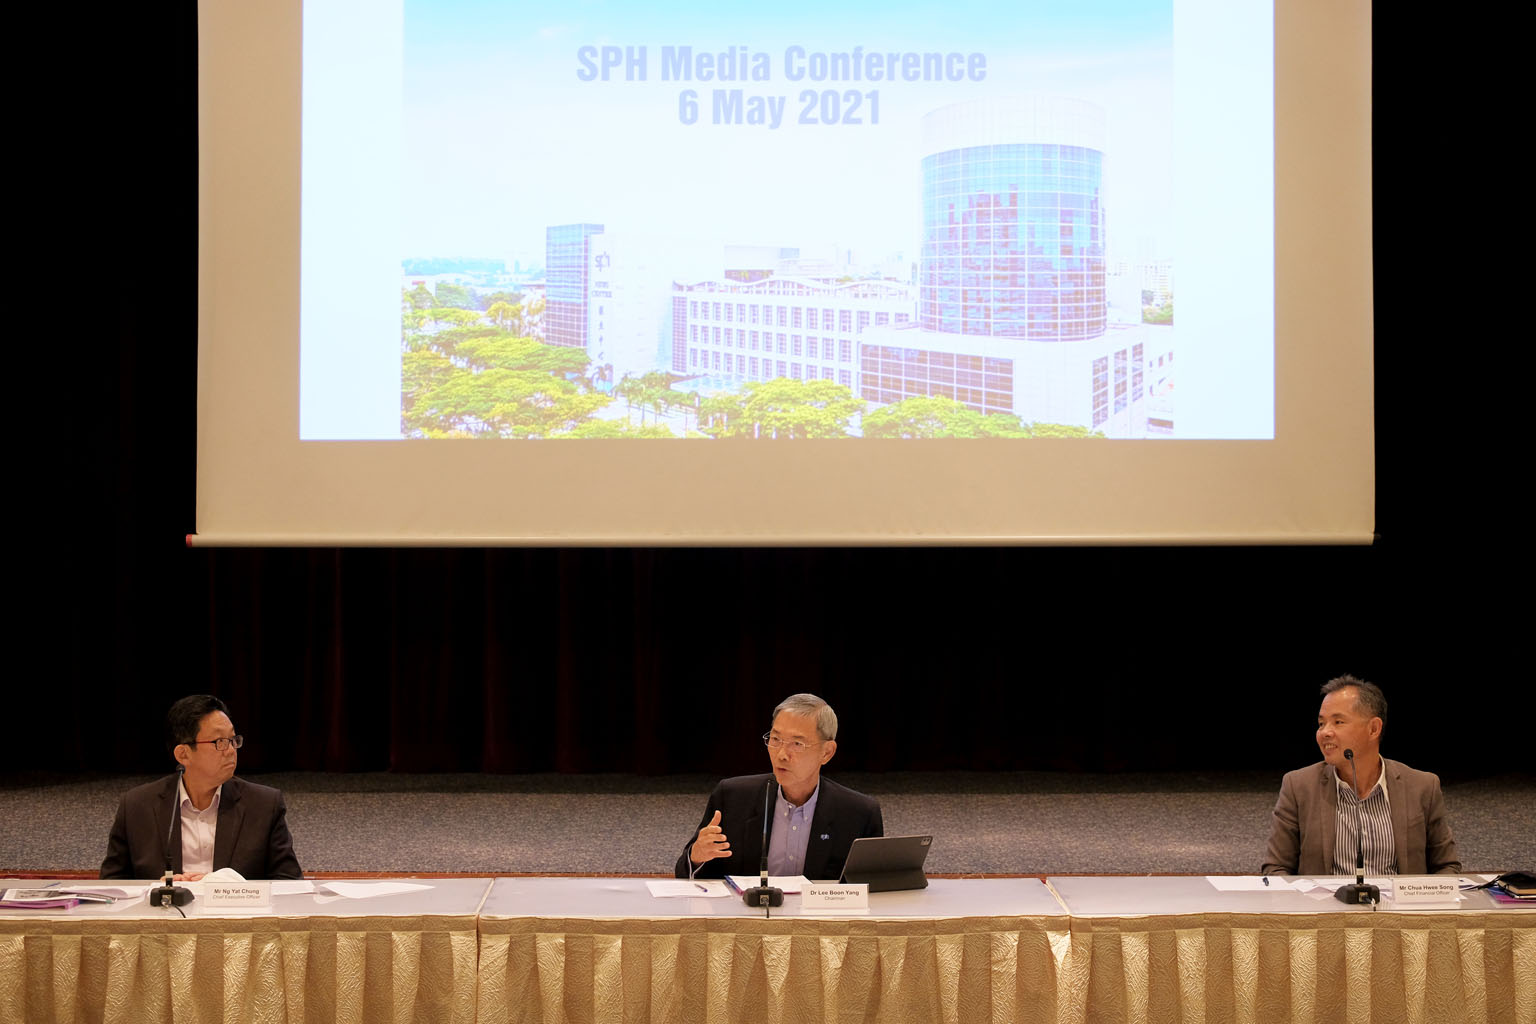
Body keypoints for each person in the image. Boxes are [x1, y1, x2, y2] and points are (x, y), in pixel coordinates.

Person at [1262, 675, 1459, 876]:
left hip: (1400, 907)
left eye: (1338, 722)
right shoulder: (1298, 786)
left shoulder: (1422, 786)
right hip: (1326, 907)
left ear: (1373, 729)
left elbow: (1447, 866)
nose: (1325, 733)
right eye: (1321, 724)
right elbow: (1276, 868)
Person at [676, 692, 883, 881]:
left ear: (827, 752)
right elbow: (687, 874)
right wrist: (697, 857)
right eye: (775, 739)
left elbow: (872, 891)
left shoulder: (859, 814)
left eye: (797, 744)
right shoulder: (732, 798)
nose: (782, 754)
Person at [100, 694, 303, 880]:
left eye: (233, 740)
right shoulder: (137, 805)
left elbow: (289, 883)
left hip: (235, 918)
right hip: (165, 918)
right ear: (183, 754)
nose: (231, 750)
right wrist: (157, 892)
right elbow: (112, 885)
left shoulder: (264, 805)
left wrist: (227, 890)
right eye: (219, 742)